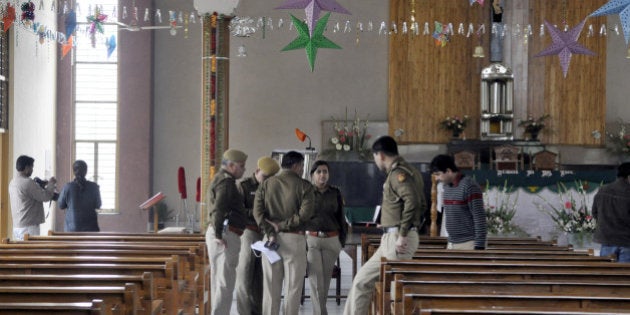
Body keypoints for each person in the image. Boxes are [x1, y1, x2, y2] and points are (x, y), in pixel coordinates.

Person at [344, 136, 426, 315]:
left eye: (374, 157)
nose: (375, 162)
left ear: (380, 155)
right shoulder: (410, 172)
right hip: (391, 238)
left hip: (398, 240)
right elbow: (421, 204)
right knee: (361, 281)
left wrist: (403, 233)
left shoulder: (399, 174)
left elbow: (412, 202)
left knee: (397, 295)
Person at [253, 151, 315, 315]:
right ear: (296, 165)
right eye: (301, 166)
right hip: (295, 240)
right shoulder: (305, 186)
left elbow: (257, 213)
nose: (302, 170)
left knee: (271, 289)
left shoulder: (266, 184)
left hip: (271, 241)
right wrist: (283, 225)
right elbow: (305, 214)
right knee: (293, 289)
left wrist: (271, 230)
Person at [234, 156, 280, 315]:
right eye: (264, 177)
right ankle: (244, 312)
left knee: (261, 279)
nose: (266, 181)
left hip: (265, 235)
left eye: (270, 178)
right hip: (248, 232)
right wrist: (259, 215)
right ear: (257, 171)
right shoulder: (245, 186)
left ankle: (258, 312)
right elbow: (238, 211)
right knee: (245, 276)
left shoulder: (272, 187)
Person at [205, 148, 248, 315]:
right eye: (241, 166)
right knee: (225, 283)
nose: (244, 169)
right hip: (226, 234)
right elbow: (219, 209)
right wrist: (218, 234)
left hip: (222, 232)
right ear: (230, 165)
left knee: (219, 281)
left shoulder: (219, 179)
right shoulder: (227, 183)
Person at [305, 160, 348, 315]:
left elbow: (341, 218)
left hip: (332, 240)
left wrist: (341, 241)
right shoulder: (306, 192)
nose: (323, 175)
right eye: (319, 172)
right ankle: (321, 313)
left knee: (325, 282)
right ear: (312, 175)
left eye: (325, 172)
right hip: (312, 240)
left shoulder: (335, 193)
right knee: (316, 281)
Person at [430, 154, 487, 250]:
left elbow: (479, 218)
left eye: (438, 174)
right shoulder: (446, 187)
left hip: (469, 243)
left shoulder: (469, 186)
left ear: (448, 171)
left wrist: (479, 246)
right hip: (452, 242)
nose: (436, 178)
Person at [8, 155, 57, 241]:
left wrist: (40, 186)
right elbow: (45, 197)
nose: (32, 170)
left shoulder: (12, 182)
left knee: (22, 252)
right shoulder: (28, 182)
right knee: (31, 252)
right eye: (31, 167)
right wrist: (51, 183)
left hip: (17, 226)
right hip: (29, 227)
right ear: (26, 167)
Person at [592, 162, 630, 262]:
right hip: (627, 241)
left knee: (606, 274)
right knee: (625, 275)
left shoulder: (603, 190)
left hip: (606, 239)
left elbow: (595, 213)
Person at [57, 160, 102, 232]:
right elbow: (98, 205)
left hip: (71, 229)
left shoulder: (68, 187)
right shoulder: (94, 186)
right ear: (86, 171)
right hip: (91, 229)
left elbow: (61, 206)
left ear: (74, 171)